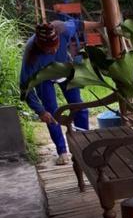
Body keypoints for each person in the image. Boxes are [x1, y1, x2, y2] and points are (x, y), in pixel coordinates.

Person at [19, 18, 103, 165]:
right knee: (51, 112)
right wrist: (40, 111)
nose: (53, 50)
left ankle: (83, 144)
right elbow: (25, 87)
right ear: (39, 46)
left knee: (79, 107)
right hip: (43, 78)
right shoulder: (31, 55)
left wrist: (100, 24)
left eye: (56, 46)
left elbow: (79, 24)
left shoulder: (62, 29)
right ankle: (62, 152)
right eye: (48, 49)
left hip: (65, 69)